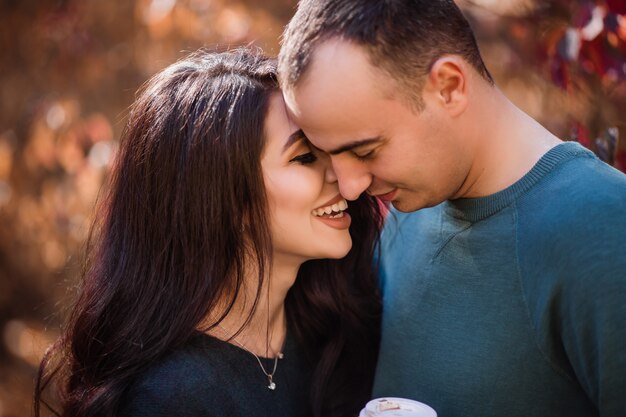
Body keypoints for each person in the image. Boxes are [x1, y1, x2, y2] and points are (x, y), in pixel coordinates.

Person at [277, 1, 626, 416]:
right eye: (328, 156)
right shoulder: (411, 202)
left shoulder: (604, 228)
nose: (350, 187)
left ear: (448, 86)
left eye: (366, 150)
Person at [34, 48, 383, 417]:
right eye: (305, 157)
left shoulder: (335, 329)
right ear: (222, 197)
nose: (343, 177)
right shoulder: (170, 398)